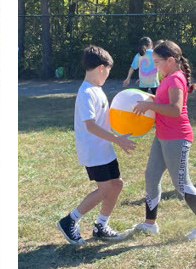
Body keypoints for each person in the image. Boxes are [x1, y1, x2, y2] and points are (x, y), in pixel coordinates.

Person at [131, 40, 196, 240]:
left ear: (170, 60)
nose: (155, 66)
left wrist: (150, 106)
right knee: (151, 177)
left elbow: (175, 109)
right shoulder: (167, 77)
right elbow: (163, 102)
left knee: (181, 184)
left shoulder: (175, 79)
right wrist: (150, 101)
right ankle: (149, 224)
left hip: (177, 138)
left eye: (158, 62)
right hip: (162, 136)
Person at [56, 45, 136, 245]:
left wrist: (119, 133)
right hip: (93, 151)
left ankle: (101, 226)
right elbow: (91, 126)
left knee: (116, 185)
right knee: (105, 190)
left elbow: (104, 122)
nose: (108, 75)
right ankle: (69, 220)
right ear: (101, 67)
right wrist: (117, 140)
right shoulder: (86, 93)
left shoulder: (98, 90)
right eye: (108, 71)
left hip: (105, 150)